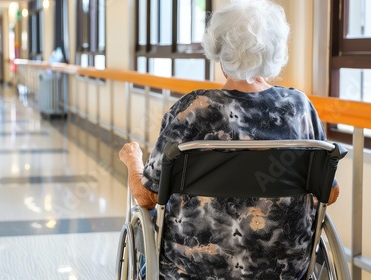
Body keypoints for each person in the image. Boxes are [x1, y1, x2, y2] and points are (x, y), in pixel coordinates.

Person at [119, 0, 340, 279]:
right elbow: (328, 193)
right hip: (283, 270)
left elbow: (148, 196)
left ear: (219, 52)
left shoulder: (193, 110)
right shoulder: (299, 107)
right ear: (273, 52)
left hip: (193, 270)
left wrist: (133, 159)